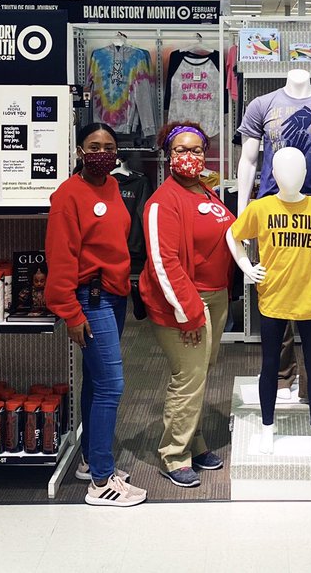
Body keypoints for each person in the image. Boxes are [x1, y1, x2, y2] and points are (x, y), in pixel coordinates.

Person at [45, 123, 147, 507]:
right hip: (91, 299)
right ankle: (102, 482)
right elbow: (60, 257)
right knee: (110, 386)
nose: (102, 153)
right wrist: (71, 312)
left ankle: (90, 460)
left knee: (95, 380)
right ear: (79, 151)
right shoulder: (68, 195)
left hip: (114, 295)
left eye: (108, 146)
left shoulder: (113, 187)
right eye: (93, 146)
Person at [139, 121, 235, 488]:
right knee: (188, 377)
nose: (189, 156)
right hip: (185, 302)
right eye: (181, 150)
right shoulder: (162, 202)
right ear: (168, 155)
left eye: (196, 150)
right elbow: (163, 264)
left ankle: (194, 442)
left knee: (201, 374)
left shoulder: (204, 189)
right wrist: (189, 311)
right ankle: (174, 455)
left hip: (215, 295)